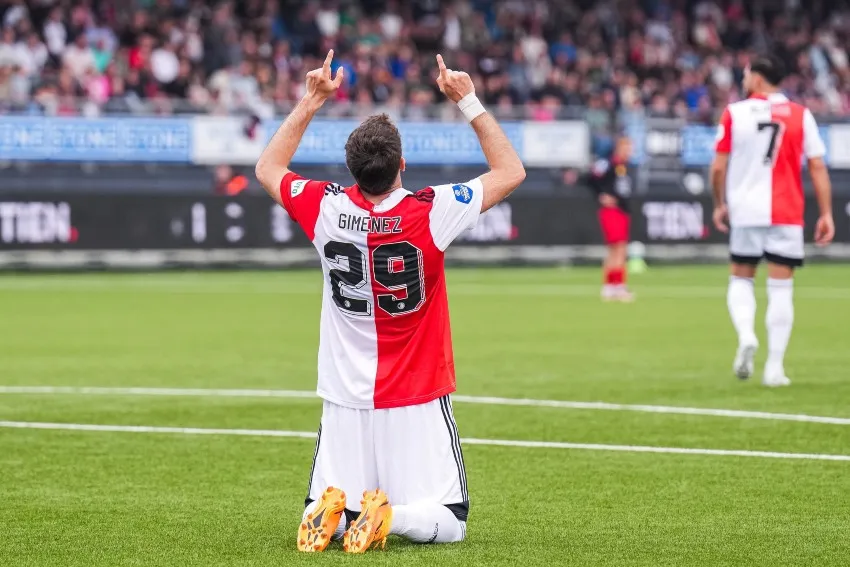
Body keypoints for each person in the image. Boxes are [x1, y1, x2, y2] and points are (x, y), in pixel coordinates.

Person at [254, 50, 525, 553]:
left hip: (343, 395)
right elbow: (510, 170)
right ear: (402, 164)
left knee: (341, 498)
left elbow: (268, 165)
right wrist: (467, 101)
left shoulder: (325, 207)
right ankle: (390, 516)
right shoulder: (431, 212)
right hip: (415, 394)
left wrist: (312, 99)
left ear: (351, 169)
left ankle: (334, 516)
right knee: (451, 518)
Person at [710, 54, 834, 387]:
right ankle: (774, 368)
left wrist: (720, 203)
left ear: (759, 78)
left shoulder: (734, 113)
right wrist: (826, 213)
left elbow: (718, 167)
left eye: (747, 74)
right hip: (786, 211)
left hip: (745, 210)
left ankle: (747, 334)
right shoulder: (800, 114)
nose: (744, 79)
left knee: (741, 280)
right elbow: (818, 166)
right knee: (781, 289)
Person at [588, 135, 635, 302]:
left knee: (616, 249)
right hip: (612, 211)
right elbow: (590, 177)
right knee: (618, 248)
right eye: (627, 148)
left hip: (622, 210)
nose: (629, 151)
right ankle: (617, 286)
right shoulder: (608, 163)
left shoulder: (625, 167)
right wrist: (601, 195)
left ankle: (611, 286)